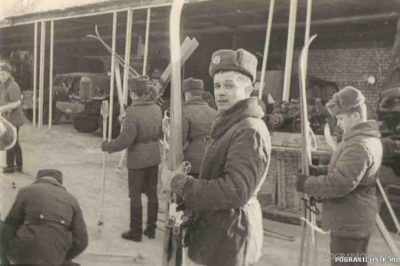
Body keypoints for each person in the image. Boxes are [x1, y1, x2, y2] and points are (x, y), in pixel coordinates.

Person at [162, 49, 271, 266]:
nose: (221, 92)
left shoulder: (248, 130)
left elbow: (235, 191)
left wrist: (181, 184)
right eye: (218, 85)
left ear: (248, 89)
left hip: (231, 234)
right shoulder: (229, 124)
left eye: (229, 85)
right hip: (220, 231)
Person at [294, 86, 383, 266]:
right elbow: (346, 171)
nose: (339, 123)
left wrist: (307, 184)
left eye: (341, 118)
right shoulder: (363, 139)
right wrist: (320, 171)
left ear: (356, 116)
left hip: (350, 222)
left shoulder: (359, 145)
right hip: (354, 220)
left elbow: (339, 184)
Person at [102, 76, 162, 242]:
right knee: (152, 193)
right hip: (154, 155)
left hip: (137, 158)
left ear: (134, 94)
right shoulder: (157, 108)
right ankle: (151, 229)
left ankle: (135, 231)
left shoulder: (133, 112)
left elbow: (125, 140)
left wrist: (108, 146)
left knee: (135, 195)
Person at [0, 169, 88, 266]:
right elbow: (81, 241)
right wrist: (61, 256)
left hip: (25, 251)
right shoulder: (72, 200)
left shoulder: (26, 191)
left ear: (38, 179)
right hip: (55, 256)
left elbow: (9, 226)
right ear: (59, 183)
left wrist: (7, 257)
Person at [182, 77, 217, 179]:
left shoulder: (185, 111)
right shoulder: (214, 112)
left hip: (193, 159)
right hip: (212, 156)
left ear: (187, 95)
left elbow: (180, 140)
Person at [0, 62, 26, 173]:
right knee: (15, 141)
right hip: (9, 118)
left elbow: (17, 102)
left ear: (9, 74)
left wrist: (2, 109)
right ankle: (18, 165)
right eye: (0, 74)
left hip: (14, 118)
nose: (1, 77)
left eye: (3, 74)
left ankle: (10, 166)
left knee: (9, 139)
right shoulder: (5, 85)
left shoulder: (13, 85)